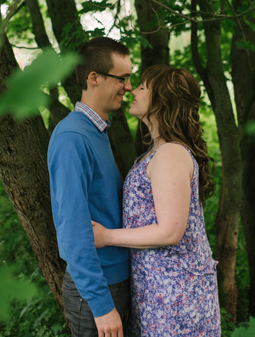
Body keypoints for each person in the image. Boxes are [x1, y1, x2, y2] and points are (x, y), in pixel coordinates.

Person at [92, 65, 221, 336]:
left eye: (142, 87)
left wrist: (107, 237)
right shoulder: (159, 151)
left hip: (176, 296)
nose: (132, 90)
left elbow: (171, 231)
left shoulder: (170, 153)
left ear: (161, 100)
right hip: (160, 291)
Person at [48, 37, 134, 337]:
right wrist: (101, 304)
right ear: (93, 78)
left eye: (130, 78)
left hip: (115, 280)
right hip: (97, 290)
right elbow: (72, 228)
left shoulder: (96, 131)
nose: (129, 87)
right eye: (121, 78)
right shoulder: (72, 137)